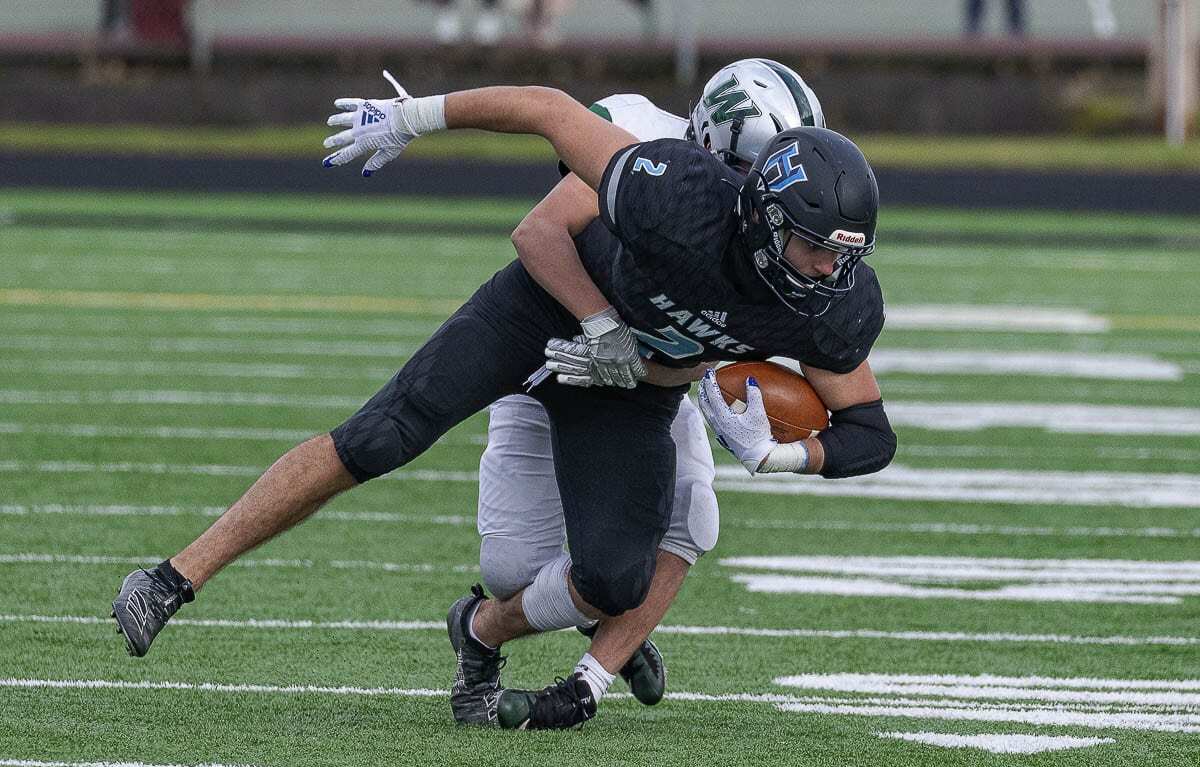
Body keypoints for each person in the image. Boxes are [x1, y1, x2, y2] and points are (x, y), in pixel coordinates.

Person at [110, 78, 895, 733]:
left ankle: (506, 631)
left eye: (842, 255)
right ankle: (172, 578)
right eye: (813, 248)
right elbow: (549, 113)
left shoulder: (831, 302)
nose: (827, 270)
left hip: (627, 389)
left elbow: (869, 429)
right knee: (381, 436)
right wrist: (412, 116)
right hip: (544, 316)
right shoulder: (677, 194)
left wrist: (779, 453)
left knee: (619, 576)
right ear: (757, 210)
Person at [474, 59, 827, 726]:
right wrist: (606, 331)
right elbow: (540, 234)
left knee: (695, 515)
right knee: (514, 572)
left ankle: (589, 679)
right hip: (562, 357)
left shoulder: (772, 224)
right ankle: (580, 609)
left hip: (656, 385)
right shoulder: (634, 139)